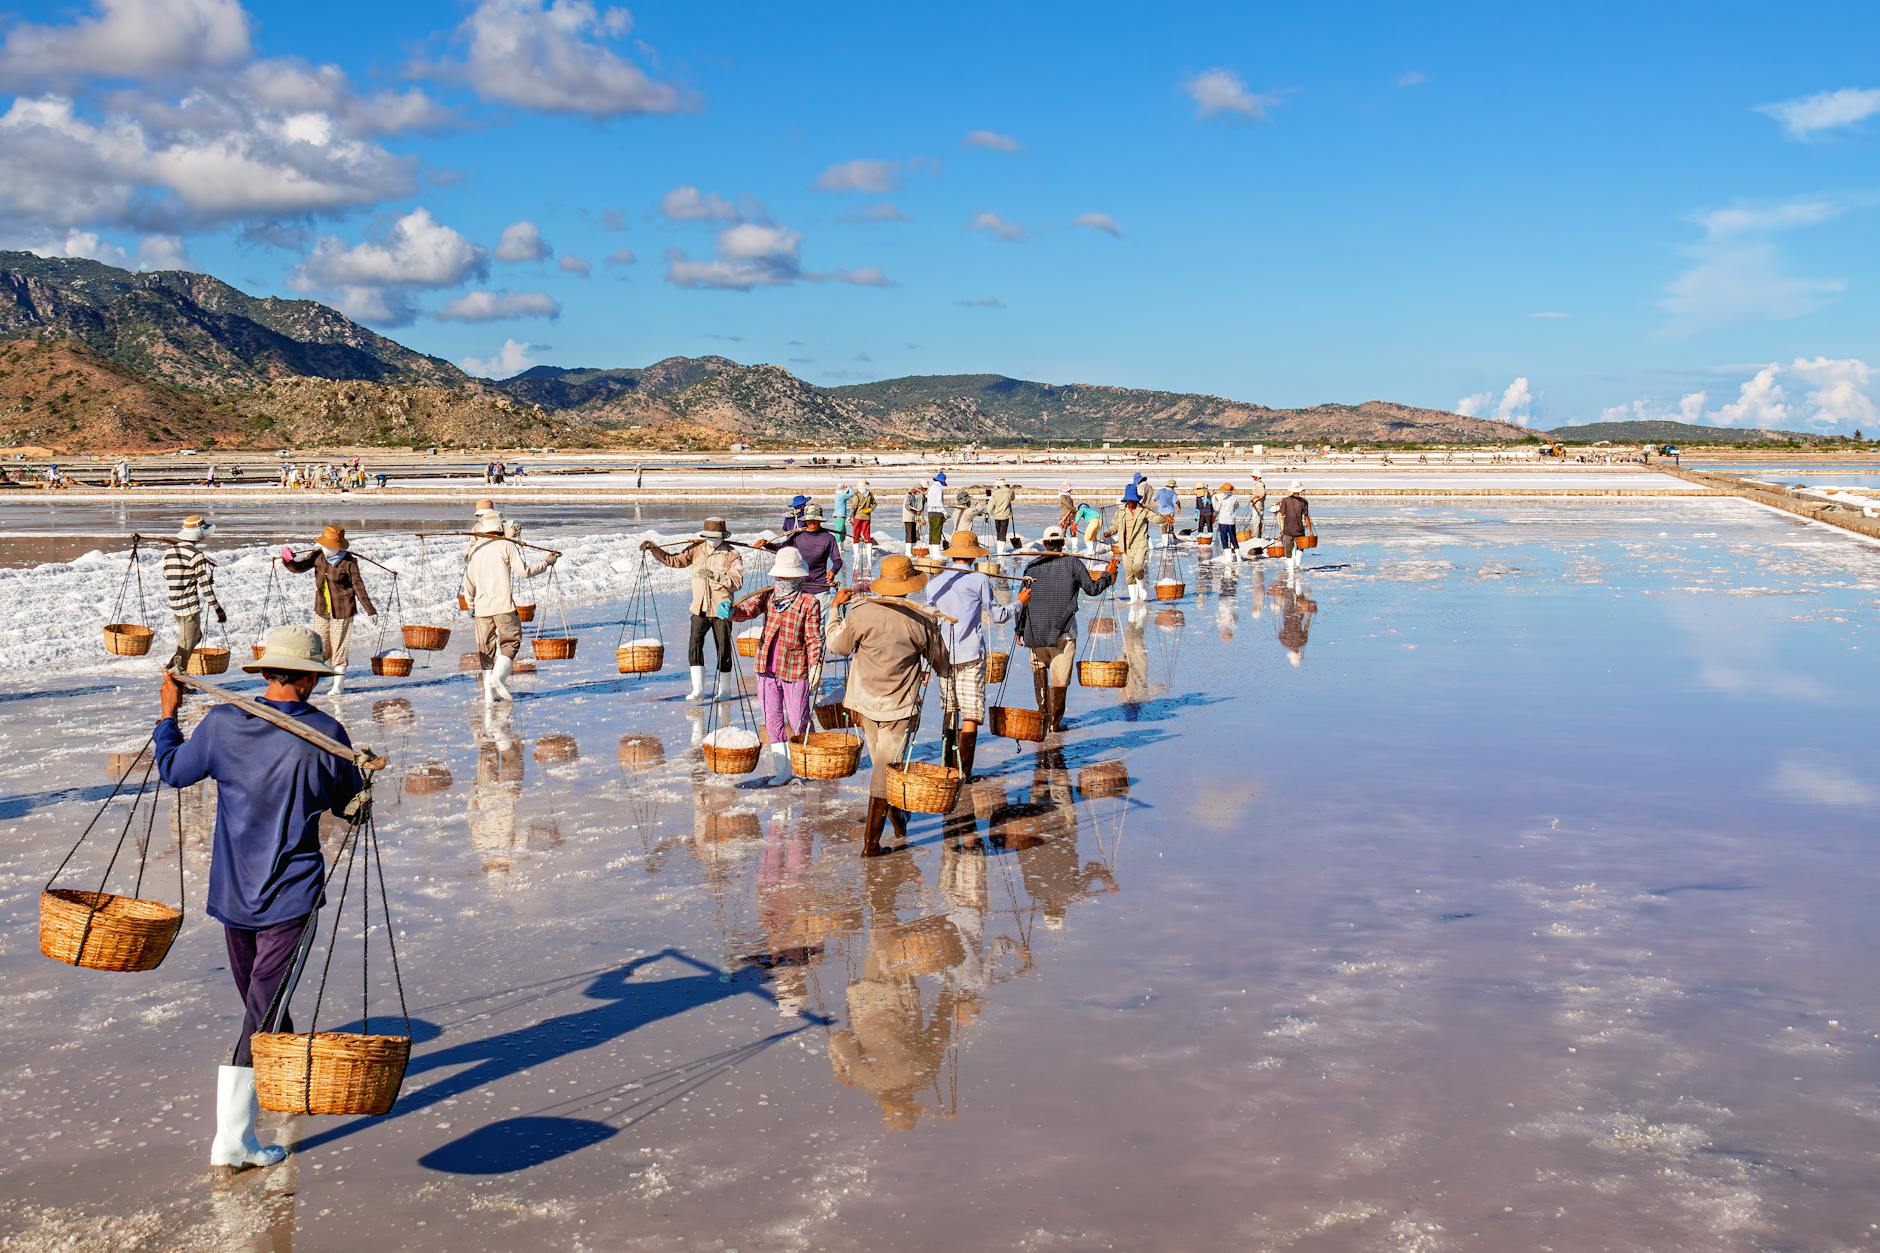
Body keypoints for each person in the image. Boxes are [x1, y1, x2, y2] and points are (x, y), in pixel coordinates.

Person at [153, 626, 366, 1172]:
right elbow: (346, 803)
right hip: (289, 898)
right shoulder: (325, 736)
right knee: (262, 1008)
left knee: (262, 999)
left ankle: (278, 1089)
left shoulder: (224, 724)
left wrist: (167, 718)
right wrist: (358, 786)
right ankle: (233, 1140)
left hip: (233, 890)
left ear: (269, 673)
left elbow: (175, 772)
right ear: (311, 678)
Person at [827, 556, 951, 854]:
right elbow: (942, 663)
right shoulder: (923, 620)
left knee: (886, 768)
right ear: (909, 585)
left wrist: (834, 610)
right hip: (899, 707)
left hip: (866, 703)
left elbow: (837, 645)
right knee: (885, 772)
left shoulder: (861, 612)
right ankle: (870, 845)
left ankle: (898, 824)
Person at [925, 531, 1014, 784]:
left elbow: (930, 623)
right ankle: (964, 773)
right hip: (970, 655)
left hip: (942, 656)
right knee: (970, 714)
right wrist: (1018, 603)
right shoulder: (979, 579)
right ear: (973, 556)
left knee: (950, 710)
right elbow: (997, 616)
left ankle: (947, 768)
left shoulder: (935, 583)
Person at [732, 547, 823, 784]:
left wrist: (815, 665)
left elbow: (814, 637)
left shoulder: (808, 602)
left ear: (798, 578)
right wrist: (730, 612)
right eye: (781, 577)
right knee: (772, 720)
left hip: (794, 669)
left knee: (799, 719)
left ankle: (806, 764)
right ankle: (783, 770)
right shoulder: (769, 597)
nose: (783, 581)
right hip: (766, 669)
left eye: (788, 577)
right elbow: (747, 610)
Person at [1017, 527, 1117, 732]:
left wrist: (1019, 629)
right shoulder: (1073, 563)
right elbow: (1093, 589)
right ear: (1063, 543)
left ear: (1045, 545)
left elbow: (1022, 602)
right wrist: (1108, 575)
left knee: (1039, 672)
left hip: (1035, 633)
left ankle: (1044, 716)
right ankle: (1054, 723)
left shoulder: (1031, 567)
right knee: (1059, 680)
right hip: (1064, 633)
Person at [644, 517, 744, 700]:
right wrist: (654, 549)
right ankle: (697, 690)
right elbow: (673, 560)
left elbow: (737, 583)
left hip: (721, 609)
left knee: (724, 649)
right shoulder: (696, 550)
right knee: (694, 646)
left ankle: (725, 690)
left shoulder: (732, 555)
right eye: (709, 536)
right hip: (699, 608)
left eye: (715, 536)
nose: (712, 540)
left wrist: (716, 575)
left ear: (723, 536)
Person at [462, 514, 556, 703]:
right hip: (503, 606)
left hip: (481, 609)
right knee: (511, 641)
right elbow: (524, 572)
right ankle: (498, 678)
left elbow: (468, 582)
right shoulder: (506, 545)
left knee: (485, 650)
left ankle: (489, 696)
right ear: (499, 530)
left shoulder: (474, 550)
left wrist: (470, 605)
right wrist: (546, 562)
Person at [279, 525, 377, 697]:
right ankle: (323, 677)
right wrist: (287, 560)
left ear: (337, 547)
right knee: (320, 646)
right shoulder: (318, 556)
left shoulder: (349, 562)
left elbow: (358, 587)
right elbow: (299, 568)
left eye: (328, 545)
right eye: (322, 544)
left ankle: (338, 686)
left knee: (339, 647)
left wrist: (370, 610)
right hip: (321, 609)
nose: (323, 548)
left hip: (343, 610)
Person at [758, 504, 843, 693]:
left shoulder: (828, 538)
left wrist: (833, 571)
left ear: (820, 521)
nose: (811, 523)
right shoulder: (796, 537)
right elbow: (781, 549)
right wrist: (766, 544)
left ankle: (815, 677)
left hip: (820, 589)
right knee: (798, 634)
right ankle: (798, 673)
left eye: (815, 520)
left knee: (817, 635)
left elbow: (837, 560)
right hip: (798, 590)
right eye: (808, 520)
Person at [163, 514, 224, 672]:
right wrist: (218, 609)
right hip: (189, 608)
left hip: (175, 605)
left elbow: (166, 574)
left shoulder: (171, 551)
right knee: (185, 647)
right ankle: (175, 679)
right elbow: (205, 587)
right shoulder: (196, 555)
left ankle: (172, 666)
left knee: (195, 637)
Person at [1102, 484, 1153, 602]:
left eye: (1132, 500)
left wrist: (1165, 518)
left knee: (1137, 566)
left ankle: (1141, 588)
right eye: (1128, 500)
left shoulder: (1143, 511)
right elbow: (1114, 525)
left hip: (1140, 543)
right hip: (1125, 546)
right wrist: (1109, 532)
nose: (1130, 503)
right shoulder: (1121, 512)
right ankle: (1133, 599)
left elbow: (1155, 518)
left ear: (1136, 499)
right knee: (1129, 572)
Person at [1277, 481, 1315, 571]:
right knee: (1300, 547)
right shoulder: (1304, 502)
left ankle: (1290, 568)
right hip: (1299, 529)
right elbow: (1306, 517)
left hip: (1288, 529)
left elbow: (1282, 514)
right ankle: (1297, 565)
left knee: (1288, 550)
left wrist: (1279, 505)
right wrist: (1311, 531)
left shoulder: (1285, 500)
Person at [1212, 482, 1241, 561]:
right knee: (1233, 538)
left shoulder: (1221, 499)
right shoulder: (1235, 498)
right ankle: (1239, 558)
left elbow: (1216, 509)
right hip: (1231, 521)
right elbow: (1236, 507)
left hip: (1223, 521)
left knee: (1224, 539)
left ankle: (1228, 559)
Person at [987, 479, 1016, 552]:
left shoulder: (995, 492)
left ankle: (999, 550)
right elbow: (1012, 498)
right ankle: (1000, 551)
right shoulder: (1009, 491)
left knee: (999, 532)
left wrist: (989, 513)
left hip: (997, 515)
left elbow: (991, 504)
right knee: (1003, 533)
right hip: (1005, 515)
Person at [851, 479, 876, 554]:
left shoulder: (857, 494)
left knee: (856, 534)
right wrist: (869, 509)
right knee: (866, 534)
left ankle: (856, 554)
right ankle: (869, 554)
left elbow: (854, 506)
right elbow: (874, 504)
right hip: (867, 517)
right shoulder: (870, 494)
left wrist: (850, 516)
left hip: (858, 517)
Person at [924, 472, 949, 547]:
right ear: (942, 481)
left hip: (930, 512)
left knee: (932, 531)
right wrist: (944, 512)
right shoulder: (938, 488)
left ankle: (932, 551)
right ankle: (936, 553)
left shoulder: (931, 488)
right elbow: (939, 501)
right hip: (937, 512)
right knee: (937, 532)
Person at [1153, 479, 1179, 548]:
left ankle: (1165, 544)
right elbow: (1176, 501)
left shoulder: (1160, 490)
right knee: (1170, 528)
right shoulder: (1173, 492)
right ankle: (1171, 543)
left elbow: (1154, 499)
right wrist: (1179, 507)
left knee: (1163, 528)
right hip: (1170, 512)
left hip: (1162, 512)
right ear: (1173, 487)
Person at [901, 482, 923, 552]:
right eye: (918, 491)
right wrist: (916, 511)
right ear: (915, 490)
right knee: (909, 535)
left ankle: (912, 551)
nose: (918, 493)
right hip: (908, 518)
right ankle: (908, 552)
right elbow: (907, 506)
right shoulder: (909, 495)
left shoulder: (913, 495)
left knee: (913, 535)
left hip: (912, 518)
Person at [1248, 474, 1269, 540]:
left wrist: (1254, 497)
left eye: (1253, 476)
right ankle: (1259, 536)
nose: (1252, 477)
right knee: (1259, 520)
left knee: (1256, 521)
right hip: (1258, 504)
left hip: (1258, 505)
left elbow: (1262, 494)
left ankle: (1256, 536)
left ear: (1256, 477)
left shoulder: (1259, 484)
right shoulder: (1259, 483)